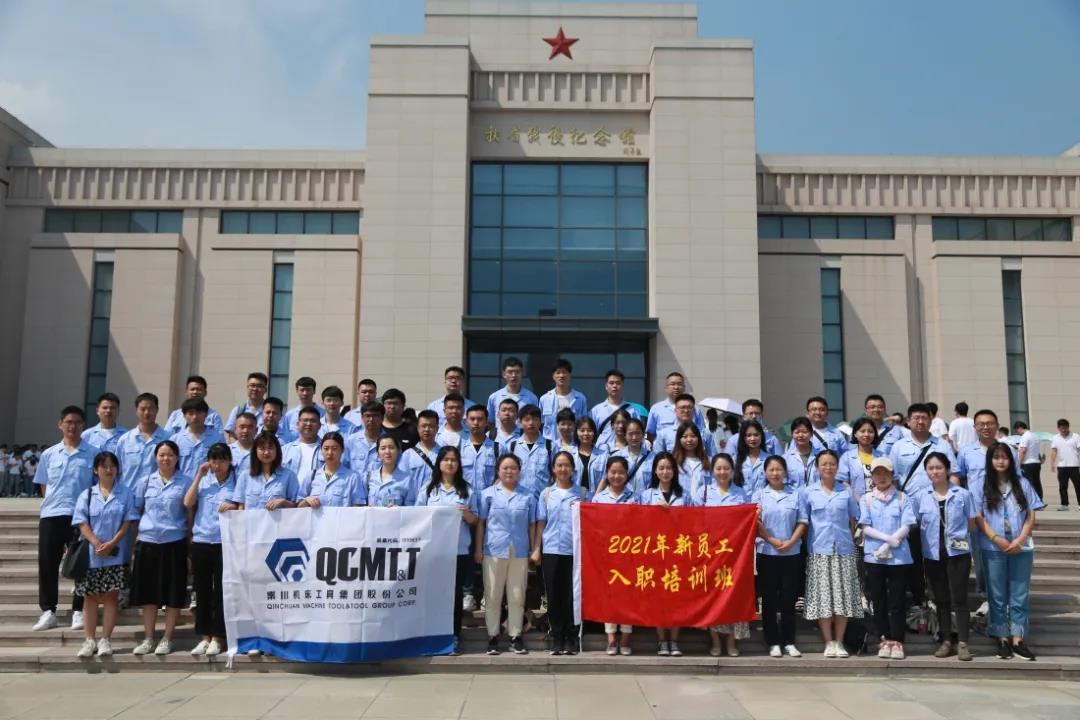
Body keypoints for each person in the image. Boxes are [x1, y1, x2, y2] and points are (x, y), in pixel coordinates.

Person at [976, 441, 1045, 660]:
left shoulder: (1022, 483)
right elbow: (978, 517)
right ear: (990, 460)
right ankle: (1001, 637)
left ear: (1011, 460)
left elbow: (1031, 514)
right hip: (992, 547)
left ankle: (1018, 638)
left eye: (1004, 457)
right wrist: (996, 539)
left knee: (1019, 593)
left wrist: (1020, 539)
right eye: (996, 457)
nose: (1000, 461)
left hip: (1021, 547)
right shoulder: (980, 484)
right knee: (996, 594)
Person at [33, 405, 97, 632]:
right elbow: (43, 485)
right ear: (60, 424)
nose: (73, 426)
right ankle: (48, 611)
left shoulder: (93, 453)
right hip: (51, 515)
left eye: (77, 422)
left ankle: (78, 610)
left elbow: (96, 486)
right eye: (68, 422)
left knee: (80, 564)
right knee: (47, 563)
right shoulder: (49, 454)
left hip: (79, 517)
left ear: (83, 426)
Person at [71, 451, 138, 658]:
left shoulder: (126, 493)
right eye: (104, 466)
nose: (109, 470)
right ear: (95, 470)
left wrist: (112, 543)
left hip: (115, 553)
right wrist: (96, 542)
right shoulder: (87, 494)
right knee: (90, 598)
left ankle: (105, 639)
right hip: (91, 555)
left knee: (111, 597)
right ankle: (89, 640)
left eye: (112, 466)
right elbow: (81, 522)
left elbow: (127, 522)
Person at [130, 440, 193, 655]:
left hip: (174, 543)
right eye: (162, 455)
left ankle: (167, 638)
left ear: (177, 458)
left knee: (173, 593)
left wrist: (189, 540)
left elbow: (189, 514)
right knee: (148, 594)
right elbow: (137, 510)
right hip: (148, 543)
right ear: (155, 457)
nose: (166, 459)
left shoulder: (186, 482)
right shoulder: (145, 481)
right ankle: (149, 638)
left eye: (170, 455)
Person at [888, 403, 954, 610]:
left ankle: (940, 598)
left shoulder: (942, 445)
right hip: (909, 510)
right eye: (915, 417)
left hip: (938, 510)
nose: (920, 421)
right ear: (908, 421)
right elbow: (893, 479)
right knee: (914, 556)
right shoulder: (899, 446)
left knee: (937, 556)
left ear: (931, 420)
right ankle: (919, 598)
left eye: (924, 417)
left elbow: (953, 475)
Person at [799, 449, 863, 658]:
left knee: (843, 598)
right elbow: (804, 522)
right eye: (824, 464)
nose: (828, 467)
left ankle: (840, 642)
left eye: (832, 464)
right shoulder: (808, 492)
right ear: (817, 467)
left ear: (837, 467)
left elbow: (853, 519)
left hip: (843, 550)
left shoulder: (846, 491)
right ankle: (828, 641)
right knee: (823, 599)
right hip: (819, 551)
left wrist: (848, 539)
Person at [416, 446, 479, 655]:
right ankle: (431, 635)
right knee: (433, 594)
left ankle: (453, 636)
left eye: (454, 460)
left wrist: (467, 514)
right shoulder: (428, 489)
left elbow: (476, 520)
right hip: (434, 550)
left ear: (459, 464)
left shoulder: (467, 490)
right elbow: (417, 517)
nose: (450, 463)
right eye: (446, 460)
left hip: (458, 550)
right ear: (439, 463)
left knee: (454, 595)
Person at [475, 454, 538, 656]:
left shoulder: (528, 496)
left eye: (513, 468)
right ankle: (493, 636)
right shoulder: (487, 494)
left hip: (519, 550)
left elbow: (532, 525)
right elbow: (481, 524)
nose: (509, 472)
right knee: (493, 594)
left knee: (517, 595)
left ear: (519, 471)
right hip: (493, 549)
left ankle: (515, 636)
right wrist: (478, 549)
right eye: (505, 468)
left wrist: (534, 549)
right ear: (498, 471)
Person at [916, 451, 976, 661]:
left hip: (958, 553)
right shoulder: (921, 496)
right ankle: (946, 640)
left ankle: (963, 642)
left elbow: (971, 522)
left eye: (939, 467)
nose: (935, 471)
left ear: (948, 469)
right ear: (926, 471)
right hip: (933, 554)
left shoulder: (963, 494)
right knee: (941, 599)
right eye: (931, 468)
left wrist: (958, 537)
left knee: (959, 598)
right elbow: (917, 522)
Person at [692, 452, 751, 656]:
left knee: (734, 596)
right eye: (718, 468)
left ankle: (732, 642)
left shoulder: (741, 494)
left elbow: (747, 521)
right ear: (712, 471)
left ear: (732, 471)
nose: (722, 472)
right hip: (711, 553)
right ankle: (716, 641)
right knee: (713, 597)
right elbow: (695, 522)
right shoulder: (703, 493)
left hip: (735, 555)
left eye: (726, 468)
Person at [858, 457, 917, 660]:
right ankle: (883, 638)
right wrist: (886, 540)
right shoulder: (866, 499)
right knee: (878, 599)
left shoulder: (902, 498)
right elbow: (865, 526)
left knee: (897, 599)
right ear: (872, 477)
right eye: (877, 473)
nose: (881, 477)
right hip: (874, 557)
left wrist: (891, 542)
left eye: (885, 473)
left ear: (892, 475)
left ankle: (897, 640)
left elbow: (907, 525)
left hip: (899, 557)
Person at [183, 442, 237, 657]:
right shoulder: (204, 481)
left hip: (224, 541)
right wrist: (199, 475)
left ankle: (218, 636)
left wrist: (233, 506)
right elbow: (188, 502)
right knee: (202, 590)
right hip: (202, 540)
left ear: (229, 460)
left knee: (222, 591)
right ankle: (204, 636)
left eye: (222, 459)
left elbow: (242, 505)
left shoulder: (237, 481)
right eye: (214, 460)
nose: (218, 464)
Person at [754, 455, 805, 658]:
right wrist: (771, 539)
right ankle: (773, 641)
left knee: (788, 599)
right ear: (765, 473)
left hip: (792, 553)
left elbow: (802, 521)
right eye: (771, 470)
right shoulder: (759, 495)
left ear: (785, 472)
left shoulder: (795, 494)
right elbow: (755, 522)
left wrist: (791, 542)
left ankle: (789, 641)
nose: (775, 473)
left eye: (779, 469)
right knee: (769, 599)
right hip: (767, 553)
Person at [535, 451, 584, 655]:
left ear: (572, 468)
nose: (563, 469)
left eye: (566, 465)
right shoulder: (546, 494)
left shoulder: (582, 493)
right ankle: (556, 637)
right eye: (559, 465)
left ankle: (571, 638)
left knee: (572, 595)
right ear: (553, 469)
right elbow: (541, 523)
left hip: (574, 551)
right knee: (554, 595)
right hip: (551, 549)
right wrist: (537, 549)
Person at [591, 456, 638, 655]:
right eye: (613, 472)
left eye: (621, 472)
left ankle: (626, 637)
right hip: (606, 555)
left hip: (628, 554)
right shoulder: (598, 499)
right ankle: (611, 637)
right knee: (608, 595)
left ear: (626, 475)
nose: (616, 476)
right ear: (607, 474)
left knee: (627, 596)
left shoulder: (635, 497)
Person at [226, 432, 300, 511]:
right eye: (262, 448)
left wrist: (283, 502)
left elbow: (297, 507)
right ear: (255, 451)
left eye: (270, 448)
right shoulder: (245, 476)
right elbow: (241, 507)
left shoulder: (289, 476)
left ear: (277, 450)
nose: (266, 452)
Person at [116, 393, 171, 494]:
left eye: (151, 409)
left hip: (156, 496)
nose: (147, 412)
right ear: (136, 411)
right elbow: (117, 471)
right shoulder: (125, 440)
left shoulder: (168, 439)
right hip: (129, 496)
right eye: (142, 409)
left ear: (157, 410)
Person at [296, 432, 365, 508]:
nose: (330, 453)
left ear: (342, 450)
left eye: (334, 449)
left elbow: (358, 508)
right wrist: (306, 501)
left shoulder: (353, 477)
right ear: (321, 450)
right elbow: (298, 506)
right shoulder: (312, 475)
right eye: (326, 448)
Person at [171, 398, 227, 479]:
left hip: (208, 485)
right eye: (191, 413)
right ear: (184, 415)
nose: (195, 417)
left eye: (199, 413)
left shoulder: (217, 439)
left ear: (206, 414)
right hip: (182, 485)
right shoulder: (175, 440)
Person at [646, 371, 706, 442]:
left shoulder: (695, 409)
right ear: (666, 388)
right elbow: (650, 433)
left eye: (679, 384)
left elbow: (702, 432)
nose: (676, 387)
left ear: (684, 387)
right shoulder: (656, 409)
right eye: (672, 384)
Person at [509, 405, 554, 498]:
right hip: (518, 498)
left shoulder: (550, 446)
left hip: (544, 498)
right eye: (527, 419)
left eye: (535, 419)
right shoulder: (512, 446)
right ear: (520, 422)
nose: (531, 423)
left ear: (540, 422)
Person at [538, 359, 589, 442]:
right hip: (550, 444)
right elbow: (540, 423)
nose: (561, 375)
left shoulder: (580, 398)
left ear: (570, 375)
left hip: (573, 443)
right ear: (553, 376)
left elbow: (584, 423)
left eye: (564, 372)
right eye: (558, 372)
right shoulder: (545, 399)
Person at [281, 406, 325, 498]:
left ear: (319, 426)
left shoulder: (326, 449)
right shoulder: (285, 450)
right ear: (297, 424)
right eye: (305, 420)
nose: (308, 424)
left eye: (313, 421)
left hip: (316, 500)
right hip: (289, 500)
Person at [590, 369, 640, 450]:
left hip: (626, 451)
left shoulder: (632, 410)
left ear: (623, 386)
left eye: (618, 383)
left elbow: (637, 432)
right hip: (602, 451)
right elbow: (591, 433)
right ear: (606, 386)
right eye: (611, 383)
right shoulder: (596, 410)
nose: (614, 386)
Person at [364, 436, 416, 507]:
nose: (387, 452)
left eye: (391, 448)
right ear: (378, 453)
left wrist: (398, 509)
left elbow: (411, 508)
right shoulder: (370, 477)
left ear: (398, 451)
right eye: (383, 448)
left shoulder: (407, 480)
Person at [836, 417, 880, 502]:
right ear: (855, 434)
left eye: (870, 431)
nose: (866, 434)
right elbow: (844, 482)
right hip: (855, 504)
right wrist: (859, 500)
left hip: (879, 503)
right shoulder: (847, 457)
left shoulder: (882, 456)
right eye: (862, 431)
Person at [485, 357, 539, 424]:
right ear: (504, 374)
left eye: (517, 372)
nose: (514, 375)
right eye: (510, 372)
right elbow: (490, 422)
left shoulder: (532, 398)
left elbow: (536, 422)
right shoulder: (494, 397)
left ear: (522, 373)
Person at [400, 409, 442, 494]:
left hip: (436, 500)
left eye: (431, 426)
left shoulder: (444, 454)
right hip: (412, 501)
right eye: (423, 426)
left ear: (437, 429)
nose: (427, 429)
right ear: (418, 428)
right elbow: (400, 482)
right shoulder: (408, 455)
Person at [344, 401, 386, 479]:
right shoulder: (351, 441)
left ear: (382, 418)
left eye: (375, 416)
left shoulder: (390, 442)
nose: (371, 419)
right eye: (367, 416)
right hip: (355, 485)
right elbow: (344, 466)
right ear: (362, 418)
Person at [613, 418, 652, 494]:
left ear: (643, 434)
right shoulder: (616, 456)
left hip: (645, 499)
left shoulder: (652, 457)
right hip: (623, 499)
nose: (634, 437)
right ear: (625, 435)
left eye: (638, 433)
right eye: (630, 434)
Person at [224, 372, 268, 439]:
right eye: (252, 385)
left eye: (259, 386)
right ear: (247, 387)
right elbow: (231, 434)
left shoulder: (270, 412)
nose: (255, 389)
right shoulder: (238, 410)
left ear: (265, 390)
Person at [672, 421, 709, 497]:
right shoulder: (672, 462)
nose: (689, 439)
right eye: (685, 436)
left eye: (693, 436)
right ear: (679, 439)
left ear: (698, 438)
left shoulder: (709, 461)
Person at [1050, 418, 1080, 509]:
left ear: (1068, 427)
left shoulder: (1075, 436)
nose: (1063, 430)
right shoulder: (1055, 438)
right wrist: (1052, 464)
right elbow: (1054, 451)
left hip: (1074, 465)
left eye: (1065, 428)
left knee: (1078, 486)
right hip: (1062, 466)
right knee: (1062, 486)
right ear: (1058, 428)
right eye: (1061, 428)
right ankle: (1064, 504)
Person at [571, 416, 604, 497]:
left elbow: (605, 478)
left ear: (594, 433)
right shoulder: (569, 454)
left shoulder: (603, 455)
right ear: (576, 432)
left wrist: (596, 498)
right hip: (573, 497)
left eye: (589, 430)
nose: (586, 433)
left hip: (596, 498)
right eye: (582, 430)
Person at [784, 416, 819, 491]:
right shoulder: (785, 458)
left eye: (804, 432)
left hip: (816, 496)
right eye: (797, 432)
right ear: (792, 434)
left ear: (811, 434)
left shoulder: (821, 456)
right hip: (793, 496)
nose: (800, 435)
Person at [733, 420, 767, 494]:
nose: (752, 439)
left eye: (756, 435)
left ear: (761, 436)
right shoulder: (734, 460)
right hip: (741, 500)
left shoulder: (769, 459)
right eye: (749, 435)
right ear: (743, 438)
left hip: (762, 500)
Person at [1015, 420, 1044, 500]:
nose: (1018, 433)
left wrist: (1019, 463)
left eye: (1017, 431)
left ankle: (1032, 501)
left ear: (1020, 428)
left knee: (1028, 482)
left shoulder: (1025, 436)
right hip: (1036, 462)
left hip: (1027, 463)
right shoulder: (1035, 436)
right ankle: (1039, 499)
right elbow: (1035, 450)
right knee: (1037, 482)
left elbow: (1023, 450)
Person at [229, 412, 257, 476]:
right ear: (235, 430)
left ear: (256, 430)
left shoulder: (261, 452)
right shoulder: (227, 450)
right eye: (242, 427)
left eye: (250, 427)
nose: (245, 431)